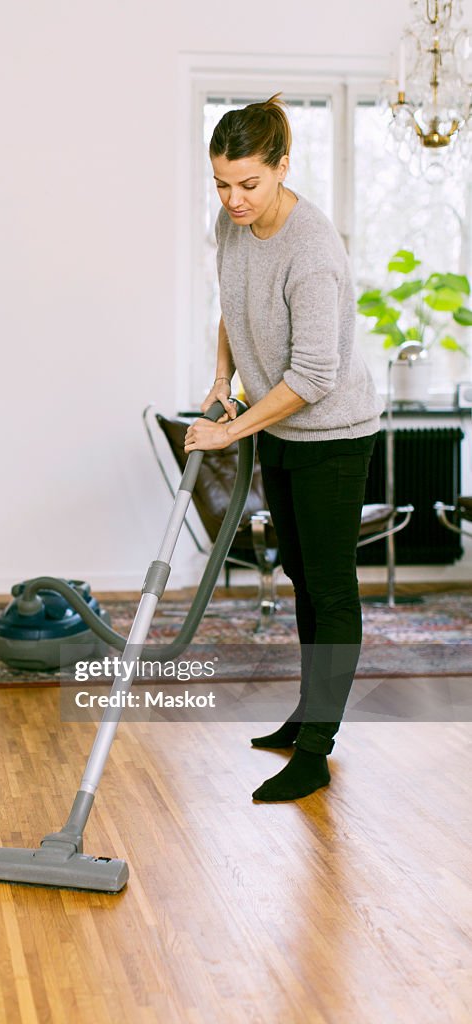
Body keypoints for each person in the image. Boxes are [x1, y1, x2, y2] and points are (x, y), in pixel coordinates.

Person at [184, 93, 384, 803]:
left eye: (248, 184)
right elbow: (231, 305)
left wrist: (229, 428)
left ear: (281, 168)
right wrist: (221, 380)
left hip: (333, 437)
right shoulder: (231, 224)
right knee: (299, 569)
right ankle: (307, 713)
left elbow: (314, 375)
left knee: (329, 588)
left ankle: (316, 749)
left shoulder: (313, 252)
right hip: (279, 428)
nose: (232, 199)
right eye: (220, 184)